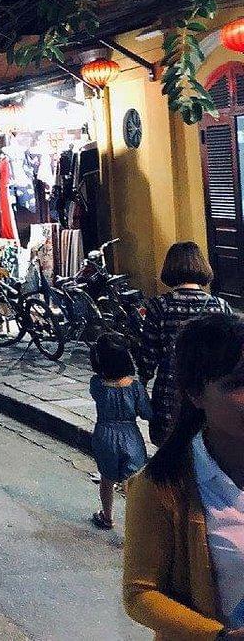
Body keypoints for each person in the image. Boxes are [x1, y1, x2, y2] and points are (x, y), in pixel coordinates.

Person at [123, 312, 244, 639]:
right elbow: (140, 595)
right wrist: (219, 637)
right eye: (236, 383)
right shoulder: (161, 486)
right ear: (195, 394)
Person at [137, 241, 233, 445]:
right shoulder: (221, 307)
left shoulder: (159, 306)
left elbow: (148, 355)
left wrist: (141, 382)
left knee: (171, 456)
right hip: (210, 396)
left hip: (169, 394)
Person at [89, 334, 152, 530]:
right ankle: (137, 524)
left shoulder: (97, 384)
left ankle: (107, 517)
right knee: (131, 483)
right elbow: (147, 413)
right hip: (130, 435)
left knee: (107, 478)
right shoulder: (135, 387)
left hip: (104, 435)